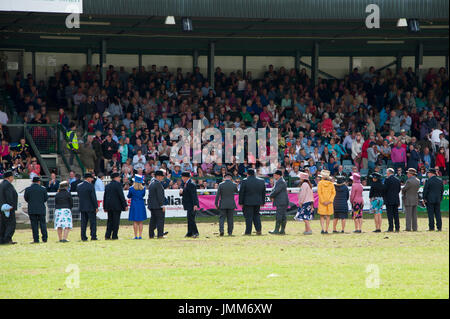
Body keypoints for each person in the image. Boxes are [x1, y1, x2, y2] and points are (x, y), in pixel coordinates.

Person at [238, 168, 266, 236]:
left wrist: (240, 203)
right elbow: (263, 192)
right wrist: (263, 202)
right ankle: (258, 230)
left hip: (247, 202)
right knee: (257, 216)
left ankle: (248, 232)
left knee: (248, 217)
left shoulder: (245, 181)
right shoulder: (261, 181)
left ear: (247, 174)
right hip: (258, 202)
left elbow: (241, 193)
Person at [24, 176, 49, 243]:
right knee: (43, 224)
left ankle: (36, 239)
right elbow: (46, 198)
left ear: (32, 181)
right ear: (39, 181)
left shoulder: (28, 189)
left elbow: (26, 198)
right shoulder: (43, 189)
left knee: (34, 225)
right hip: (41, 209)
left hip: (32, 209)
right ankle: (45, 238)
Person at [104, 172, 128, 240]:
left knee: (109, 221)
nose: (120, 178)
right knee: (116, 222)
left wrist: (105, 206)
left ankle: (107, 235)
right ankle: (114, 235)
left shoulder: (107, 186)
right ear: (116, 177)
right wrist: (125, 205)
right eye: (119, 177)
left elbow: (105, 197)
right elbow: (121, 196)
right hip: (117, 206)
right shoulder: (118, 185)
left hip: (109, 206)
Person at [77, 173, 99, 241]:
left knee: (83, 223)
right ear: (88, 178)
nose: (92, 180)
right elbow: (93, 197)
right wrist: (96, 206)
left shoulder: (79, 186)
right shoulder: (90, 186)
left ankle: (83, 237)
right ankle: (93, 236)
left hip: (83, 206)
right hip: (90, 207)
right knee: (93, 223)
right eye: (91, 178)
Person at [148, 170, 168, 239]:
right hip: (158, 206)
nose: (162, 178)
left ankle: (151, 235)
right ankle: (160, 235)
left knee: (153, 221)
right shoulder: (158, 184)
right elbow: (160, 196)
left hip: (152, 206)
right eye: (162, 176)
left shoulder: (151, 183)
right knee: (160, 221)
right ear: (158, 176)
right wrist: (162, 205)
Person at [269, 170, 289, 235]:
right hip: (282, 201)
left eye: (275, 175)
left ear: (278, 175)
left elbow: (276, 191)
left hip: (281, 201)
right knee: (283, 216)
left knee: (279, 216)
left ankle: (277, 230)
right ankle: (282, 230)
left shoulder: (280, 182)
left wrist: (270, 195)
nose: (274, 176)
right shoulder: (280, 181)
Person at [0, 171, 18, 245]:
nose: (13, 178)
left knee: (3, 224)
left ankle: (2, 239)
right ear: (9, 177)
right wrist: (11, 206)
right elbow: (9, 196)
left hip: (2, 208)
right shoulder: (8, 185)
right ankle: (7, 239)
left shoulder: (1, 184)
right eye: (12, 177)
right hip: (8, 208)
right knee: (11, 224)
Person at [180, 171, 200, 238]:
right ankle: (190, 232)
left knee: (191, 218)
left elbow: (194, 195)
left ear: (185, 177)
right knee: (189, 218)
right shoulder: (185, 183)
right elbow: (184, 192)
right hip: (188, 204)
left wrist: (195, 204)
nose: (182, 178)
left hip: (192, 204)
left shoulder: (191, 184)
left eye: (182, 177)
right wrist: (181, 192)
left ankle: (195, 232)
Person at [128, 174, 147, 239]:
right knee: (140, 221)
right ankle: (140, 235)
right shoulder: (143, 188)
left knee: (135, 221)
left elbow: (129, 196)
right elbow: (143, 195)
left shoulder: (131, 189)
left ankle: (135, 235)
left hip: (134, 204)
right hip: (141, 204)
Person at [317, 170, 336, 234]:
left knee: (322, 216)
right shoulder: (331, 184)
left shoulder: (320, 183)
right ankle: (326, 229)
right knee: (328, 216)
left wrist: (322, 201)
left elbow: (319, 193)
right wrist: (330, 200)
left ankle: (322, 228)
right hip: (329, 202)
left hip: (322, 201)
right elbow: (333, 193)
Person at [384, 168, 401, 232]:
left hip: (389, 199)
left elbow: (385, 189)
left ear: (389, 172)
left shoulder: (387, 180)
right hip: (396, 198)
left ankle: (391, 227)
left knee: (390, 214)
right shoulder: (397, 180)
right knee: (396, 214)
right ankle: (397, 227)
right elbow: (399, 190)